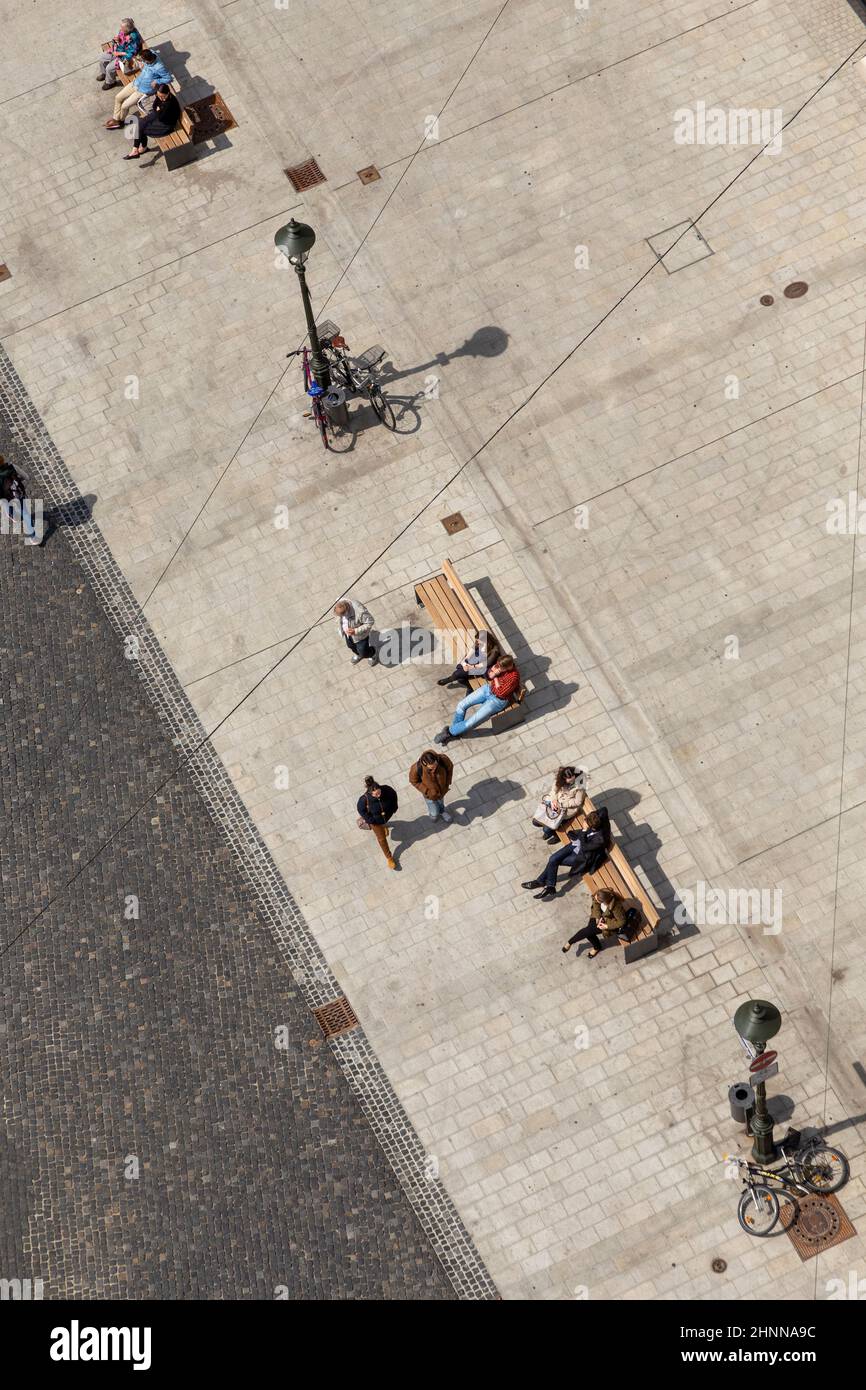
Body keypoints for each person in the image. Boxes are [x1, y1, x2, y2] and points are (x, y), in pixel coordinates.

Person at [521, 808, 609, 901]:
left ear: (593, 827)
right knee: (552, 859)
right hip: (575, 844)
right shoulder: (599, 820)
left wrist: (584, 830)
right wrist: (594, 815)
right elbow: (604, 809)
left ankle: (543, 883)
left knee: (554, 862)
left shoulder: (600, 839)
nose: (584, 823)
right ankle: (547, 885)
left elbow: (585, 848)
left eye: (587, 824)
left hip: (582, 856)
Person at [434, 655, 520, 745]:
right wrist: (491, 673)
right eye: (497, 665)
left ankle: (450, 732)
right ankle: (455, 732)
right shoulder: (501, 664)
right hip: (488, 689)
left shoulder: (514, 677)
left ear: (507, 667)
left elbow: (500, 692)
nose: (498, 667)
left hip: (497, 701)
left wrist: (495, 677)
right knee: (461, 704)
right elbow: (487, 675)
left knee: (473, 721)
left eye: (500, 667)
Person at [105, 49, 173, 128]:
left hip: (143, 91)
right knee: (118, 97)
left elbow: (169, 78)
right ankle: (116, 119)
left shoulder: (159, 67)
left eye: (143, 60)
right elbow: (150, 51)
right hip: (136, 83)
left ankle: (120, 121)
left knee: (124, 106)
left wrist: (157, 81)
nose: (142, 61)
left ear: (148, 60)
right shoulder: (151, 53)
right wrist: (141, 64)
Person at [562, 889, 639, 958]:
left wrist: (606, 925)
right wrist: (598, 917)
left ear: (604, 901)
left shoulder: (616, 907)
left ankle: (571, 942)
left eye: (597, 900)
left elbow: (621, 921)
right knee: (589, 931)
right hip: (598, 917)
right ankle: (595, 947)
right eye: (595, 898)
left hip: (609, 923)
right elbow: (595, 905)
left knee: (588, 931)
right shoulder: (600, 894)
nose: (595, 900)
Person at [531, 765, 586, 844]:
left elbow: (577, 802)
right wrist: (554, 800)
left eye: (573, 779)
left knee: (546, 829)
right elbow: (554, 790)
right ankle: (551, 831)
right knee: (535, 822)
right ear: (563, 778)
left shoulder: (580, 785)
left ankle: (556, 835)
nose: (571, 782)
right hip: (554, 804)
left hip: (566, 810)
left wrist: (561, 804)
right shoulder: (560, 779)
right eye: (569, 780)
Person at [123, 84, 180, 159]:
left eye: (163, 96)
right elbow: (154, 105)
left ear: (168, 93)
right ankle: (137, 149)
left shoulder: (169, 104)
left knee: (140, 128)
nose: (161, 98)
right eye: (159, 96)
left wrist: (159, 111)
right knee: (140, 124)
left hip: (166, 125)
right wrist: (159, 110)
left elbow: (162, 118)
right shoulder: (161, 96)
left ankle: (140, 149)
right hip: (158, 117)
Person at [437, 628, 502, 690]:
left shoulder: (494, 650)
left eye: (479, 640)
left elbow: (487, 663)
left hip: (481, 667)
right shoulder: (478, 643)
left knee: (458, 674)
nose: (477, 642)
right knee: (461, 679)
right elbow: (469, 653)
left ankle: (450, 679)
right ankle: (470, 689)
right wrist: (465, 663)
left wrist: (471, 667)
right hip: (473, 661)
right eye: (477, 640)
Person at [356, 776, 398, 869]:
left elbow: (393, 794)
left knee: (384, 824)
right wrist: (371, 821)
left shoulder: (386, 789)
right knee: (382, 839)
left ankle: (384, 826)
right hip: (375, 822)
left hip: (386, 816)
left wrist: (395, 806)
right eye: (375, 794)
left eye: (379, 792)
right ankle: (389, 857)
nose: (378, 795)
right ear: (370, 793)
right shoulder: (364, 799)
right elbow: (361, 810)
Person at [0, 458, 40, 543]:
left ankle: (12, 515)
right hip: (17, 495)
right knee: (25, 513)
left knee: (5, 505)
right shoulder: (12, 467)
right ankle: (33, 537)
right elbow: (27, 477)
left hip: (5, 497)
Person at [409, 750, 453, 823]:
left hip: (442, 790)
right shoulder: (416, 768)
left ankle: (442, 812)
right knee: (433, 807)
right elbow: (413, 781)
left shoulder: (443, 759)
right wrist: (426, 791)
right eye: (431, 767)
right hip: (429, 795)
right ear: (425, 763)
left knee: (441, 802)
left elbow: (450, 768)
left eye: (435, 765)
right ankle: (433, 815)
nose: (434, 768)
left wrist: (447, 782)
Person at [97, 19, 142, 89]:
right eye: (121, 27)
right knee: (102, 58)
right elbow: (121, 39)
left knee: (109, 68)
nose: (120, 29)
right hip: (117, 49)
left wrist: (118, 53)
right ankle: (104, 73)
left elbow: (131, 54)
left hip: (124, 57)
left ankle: (110, 82)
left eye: (122, 28)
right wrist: (117, 39)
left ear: (128, 29)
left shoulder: (133, 38)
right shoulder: (123, 31)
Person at [334, 598, 377, 664]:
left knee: (364, 652)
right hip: (348, 634)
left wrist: (355, 631)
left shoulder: (360, 611)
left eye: (341, 615)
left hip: (360, 636)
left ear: (346, 611)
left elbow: (370, 622)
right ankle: (359, 655)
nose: (340, 617)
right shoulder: (339, 602)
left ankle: (372, 654)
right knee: (350, 646)